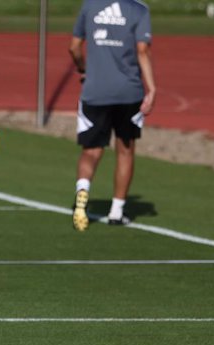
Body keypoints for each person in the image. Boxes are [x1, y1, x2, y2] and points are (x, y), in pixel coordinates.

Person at [68, 0, 156, 231]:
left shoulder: (90, 6)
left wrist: (83, 69)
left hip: (95, 91)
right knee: (125, 151)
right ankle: (116, 211)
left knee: (91, 150)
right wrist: (152, 88)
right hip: (129, 92)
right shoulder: (138, 10)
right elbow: (142, 51)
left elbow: (75, 47)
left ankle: (83, 192)